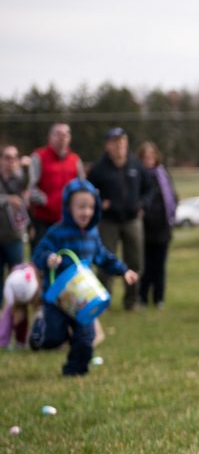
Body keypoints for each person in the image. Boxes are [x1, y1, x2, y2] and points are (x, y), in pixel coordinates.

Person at [29, 179, 137, 376]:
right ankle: (39, 329)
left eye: (90, 207)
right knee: (54, 337)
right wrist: (49, 258)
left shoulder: (92, 234)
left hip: (83, 297)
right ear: (68, 207)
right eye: (80, 207)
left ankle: (75, 371)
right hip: (58, 297)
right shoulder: (57, 232)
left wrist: (123, 270)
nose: (86, 212)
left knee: (86, 337)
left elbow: (103, 256)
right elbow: (38, 253)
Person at [86, 128, 149, 311]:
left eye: (122, 141)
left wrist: (142, 204)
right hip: (108, 222)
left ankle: (131, 301)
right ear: (107, 146)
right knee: (106, 261)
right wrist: (98, 203)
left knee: (135, 262)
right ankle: (103, 301)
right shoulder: (99, 169)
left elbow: (149, 188)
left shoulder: (136, 166)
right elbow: (87, 192)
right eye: (115, 142)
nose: (119, 145)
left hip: (132, 220)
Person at [26, 123, 85, 250]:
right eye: (58, 134)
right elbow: (31, 187)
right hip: (44, 221)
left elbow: (82, 187)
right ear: (50, 137)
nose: (62, 137)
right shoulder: (38, 156)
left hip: (69, 221)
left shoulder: (75, 160)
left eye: (65, 134)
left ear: (69, 138)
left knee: (68, 258)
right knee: (43, 258)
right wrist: (46, 201)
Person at [137, 142, 176, 309]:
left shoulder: (163, 174)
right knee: (145, 265)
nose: (149, 159)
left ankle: (159, 298)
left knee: (160, 266)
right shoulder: (138, 176)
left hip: (163, 227)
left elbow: (172, 196)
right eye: (146, 157)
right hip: (145, 228)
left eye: (152, 156)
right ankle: (143, 297)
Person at [0, 145, 29, 278]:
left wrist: (27, 168)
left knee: (17, 278)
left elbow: (30, 192)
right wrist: (7, 199)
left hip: (15, 237)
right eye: (7, 157)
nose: (11, 161)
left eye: (14, 157)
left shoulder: (22, 180)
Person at [0, 263, 39, 348]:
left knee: (39, 314)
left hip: (33, 287)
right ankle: (11, 340)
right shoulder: (12, 283)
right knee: (15, 314)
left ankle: (30, 339)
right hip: (17, 291)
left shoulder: (38, 281)